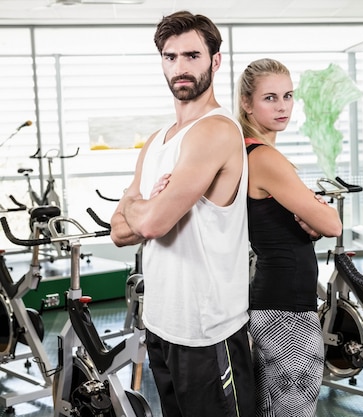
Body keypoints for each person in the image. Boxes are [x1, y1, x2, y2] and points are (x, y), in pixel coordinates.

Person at [110, 11, 254, 417]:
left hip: (208, 332)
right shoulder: (156, 142)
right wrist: (146, 209)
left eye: (192, 55)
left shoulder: (216, 130)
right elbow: (118, 232)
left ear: (215, 60)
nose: (180, 67)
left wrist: (139, 208)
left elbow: (150, 223)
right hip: (161, 323)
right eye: (170, 57)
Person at [237, 58, 342, 417]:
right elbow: (333, 225)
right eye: (269, 98)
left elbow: (309, 221)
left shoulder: (251, 153)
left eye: (287, 96)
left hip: (275, 301)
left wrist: (312, 215)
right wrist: (317, 214)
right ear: (246, 103)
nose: (282, 106)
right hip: (287, 312)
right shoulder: (264, 157)